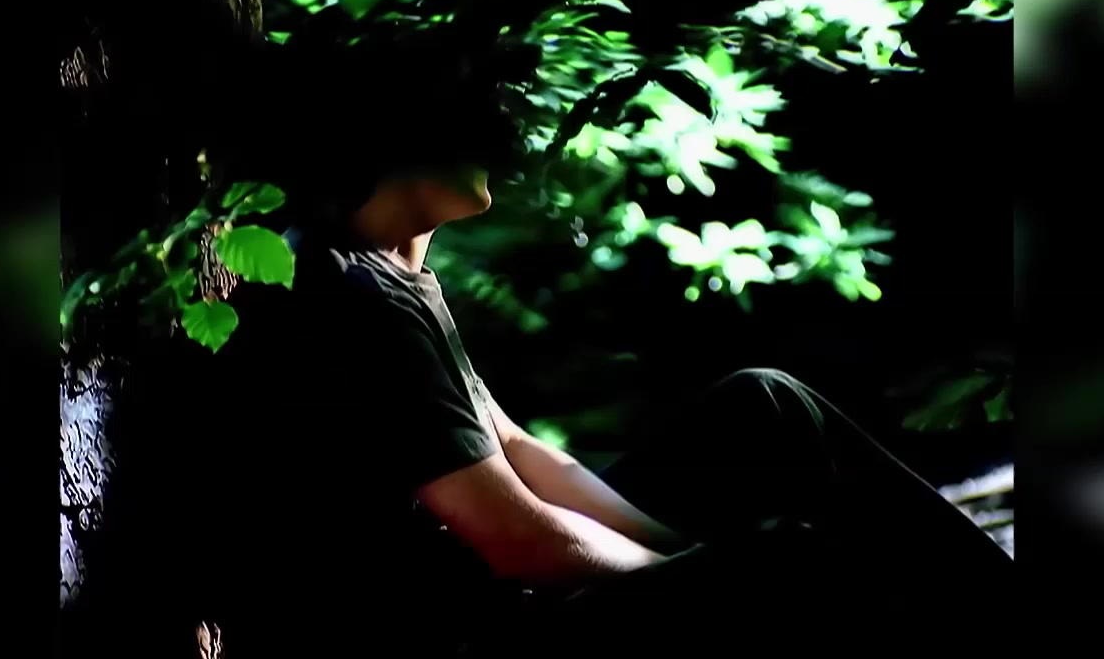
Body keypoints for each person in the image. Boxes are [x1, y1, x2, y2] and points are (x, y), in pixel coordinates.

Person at [185, 154, 1011, 658]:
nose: (501, 140)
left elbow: (518, 450)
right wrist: (699, 576)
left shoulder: (397, 275)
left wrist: (681, 550)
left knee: (766, 405)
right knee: (787, 568)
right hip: (460, 640)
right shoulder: (353, 298)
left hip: (493, 596)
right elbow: (516, 538)